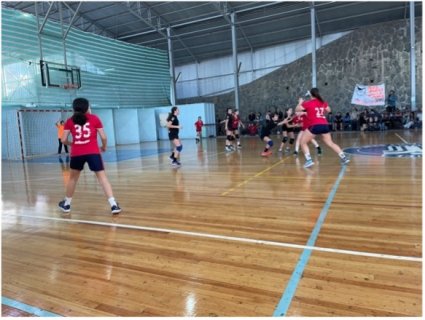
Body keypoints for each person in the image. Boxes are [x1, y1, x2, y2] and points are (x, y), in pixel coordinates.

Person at [58, 98, 121, 214]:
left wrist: (72, 144)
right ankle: (113, 205)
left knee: (72, 179)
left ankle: (66, 204)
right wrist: (104, 147)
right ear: (87, 108)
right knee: (102, 178)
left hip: (77, 153)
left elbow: (63, 140)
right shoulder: (94, 118)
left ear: (74, 108)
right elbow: (104, 137)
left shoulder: (69, 121)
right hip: (93, 152)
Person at [295, 88, 350, 168]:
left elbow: (297, 110)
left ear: (311, 94)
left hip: (315, 125)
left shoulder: (308, 103)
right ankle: (344, 158)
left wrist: (300, 102)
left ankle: (309, 161)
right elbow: (329, 110)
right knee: (330, 143)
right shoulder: (322, 102)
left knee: (303, 142)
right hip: (324, 125)